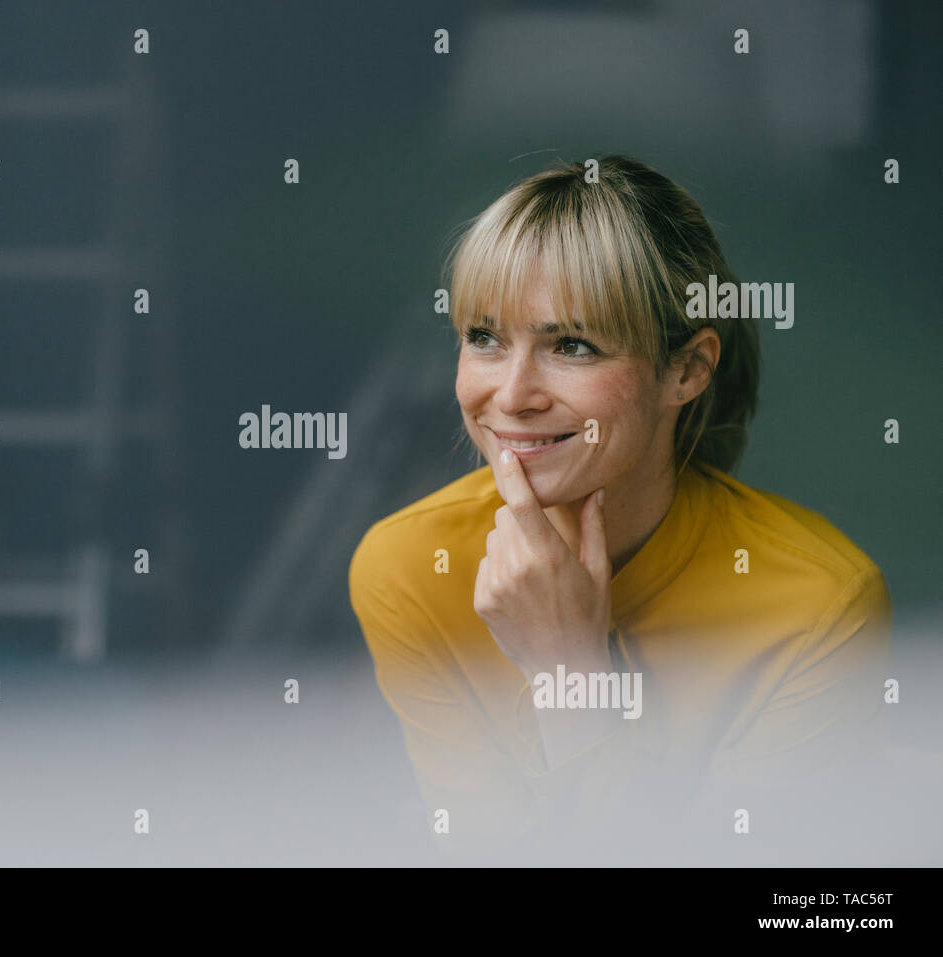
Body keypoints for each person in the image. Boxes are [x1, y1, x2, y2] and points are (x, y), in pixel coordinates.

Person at [348, 155, 891, 861]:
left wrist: (568, 671)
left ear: (687, 370)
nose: (511, 395)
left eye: (571, 345)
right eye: (484, 337)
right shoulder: (407, 567)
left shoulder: (822, 607)